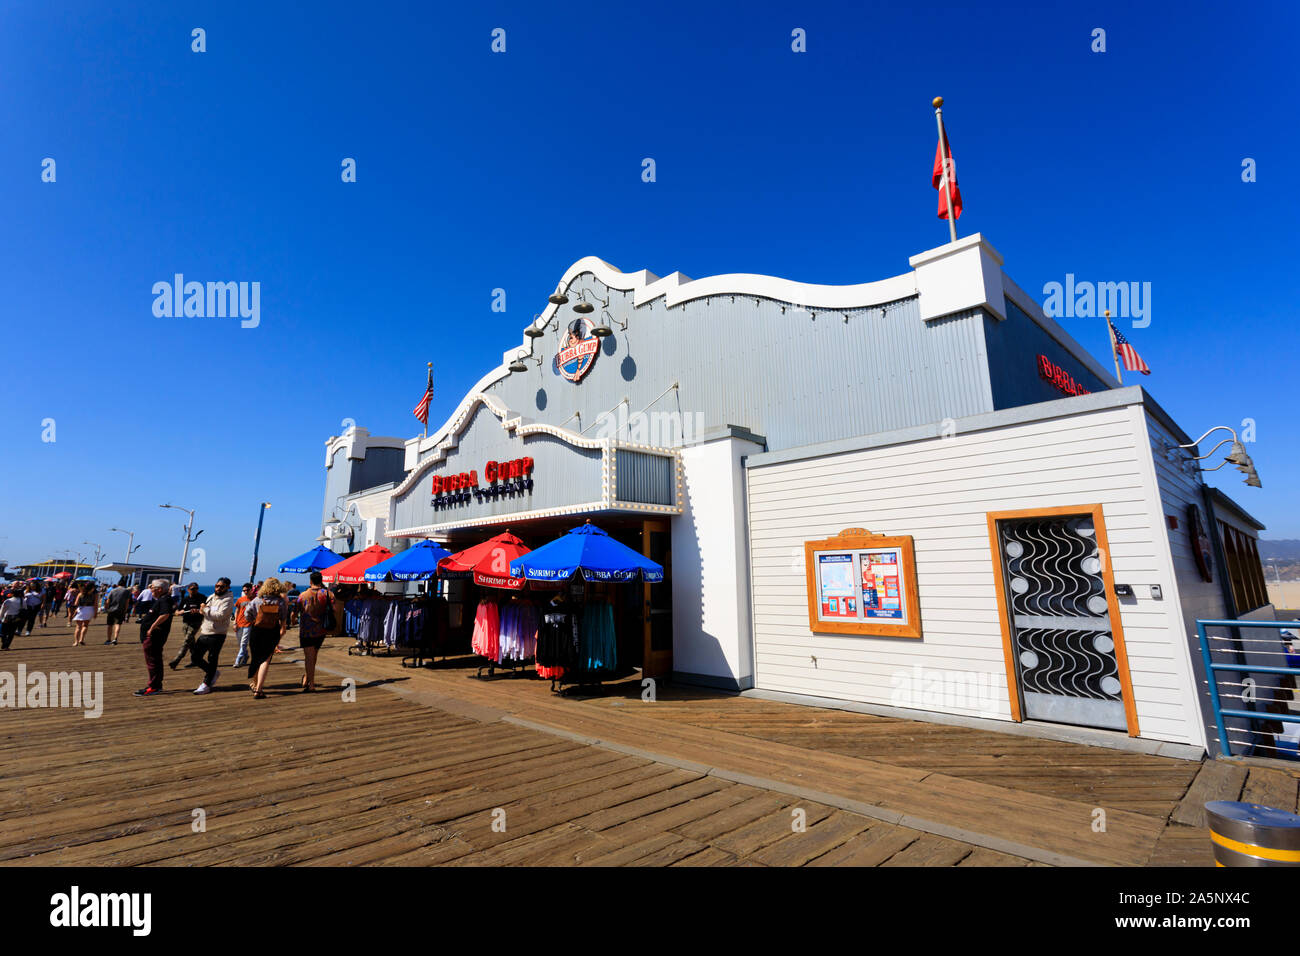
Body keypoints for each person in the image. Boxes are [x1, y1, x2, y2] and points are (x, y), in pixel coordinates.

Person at [244, 578, 287, 699]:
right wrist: (282, 628)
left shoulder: (257, 600)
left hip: (257, 631)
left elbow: (247, 616)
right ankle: (259, 689)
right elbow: (283, 617)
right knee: (265, 660)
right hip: (272, 631)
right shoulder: (280, 601)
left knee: (256, 658)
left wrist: (255, 620)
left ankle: (255, 684)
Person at [193, 577, 234, 695]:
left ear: (227, 587)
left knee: (212, 658)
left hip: (217, 634)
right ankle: (213, 673)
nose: (218, 588)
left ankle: (206, 684)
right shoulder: (211, 596)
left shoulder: (228, 600)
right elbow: (205, 611)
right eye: (217, 586)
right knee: (195, 657)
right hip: (205, 631)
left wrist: (205, 609)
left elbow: (220, 615)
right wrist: (200, 610)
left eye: (222, 586)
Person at [134, 579, 175, 697]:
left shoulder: (165, 600)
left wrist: (152, 627)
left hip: (154, 636)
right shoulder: (163, 599)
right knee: (154, 660)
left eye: (152, 587)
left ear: (160, 589)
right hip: (153, 636)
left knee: (152, 661)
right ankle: (155, 684)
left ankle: (154, 686)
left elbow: (165, 614)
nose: (150, 589)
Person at [296, 572, 334, 692]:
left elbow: (296, 611)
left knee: (309, 657)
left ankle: (310, 684)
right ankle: (307, 678)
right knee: (313, 655)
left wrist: (291, 620)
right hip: (321, 629)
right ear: (321, 580)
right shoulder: (329, 594)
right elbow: (335, 609)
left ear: (310, 581)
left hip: (307, 630)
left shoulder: (302, 595)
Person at [169, 583, 206, 669]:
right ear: (188, 590)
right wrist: (179, 612)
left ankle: (176, 660)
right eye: (193, 589)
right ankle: (196, 660)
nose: (195, 590)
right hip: (186, 623)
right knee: (191, 643)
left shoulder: (202, 597)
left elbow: (207, 608)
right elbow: (177, 611)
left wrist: (199, 610)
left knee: (186, 641)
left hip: (196, 623)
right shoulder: (185, 599)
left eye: (196, 588)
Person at [231, 583, 255, 666]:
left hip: (249, 623)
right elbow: (237, 611)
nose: (245, 592)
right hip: (239, 623)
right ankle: (246, 656)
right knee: (240, 643)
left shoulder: (255, 599)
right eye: (244, 590)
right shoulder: (240, 600)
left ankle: (238, 660)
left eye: (247, 590)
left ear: (251, 590)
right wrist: (235, 623)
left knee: (244, 643)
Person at [103, 580, 132, 645]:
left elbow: (108, 601)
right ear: (124, 584)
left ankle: (108, 639)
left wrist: (106, 608)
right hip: (121, 610)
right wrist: (125, 610)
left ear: (118, 584)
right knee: (118, 624)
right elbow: (127, 602)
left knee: (110, 625)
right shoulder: (126, 591)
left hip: (111, 610)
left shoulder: (112, 590)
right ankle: (115, 639)